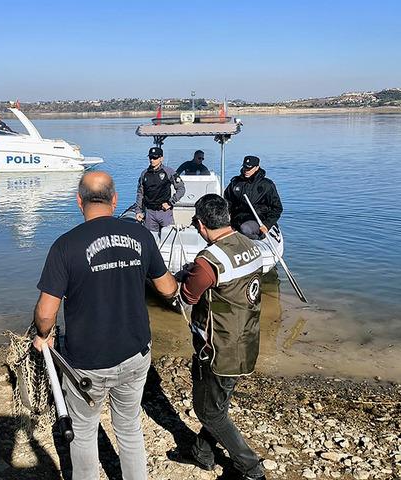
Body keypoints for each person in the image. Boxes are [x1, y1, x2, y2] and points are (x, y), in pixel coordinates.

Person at [33, 171, 178, 480]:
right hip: (135, 353)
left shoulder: (65, 246)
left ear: (78, 202)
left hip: (87, 361)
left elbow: (47, 312)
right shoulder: (141, 236)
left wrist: (43, 336)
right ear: (114, 200)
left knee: (84, 431)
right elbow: (167, 289)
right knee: (129, 425)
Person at [168, 193, 266, 480]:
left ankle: (250, 468)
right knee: (218, 403)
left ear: (200, 224)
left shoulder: (209, 259)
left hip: (216, 346)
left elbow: (187, 296)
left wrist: (183, 276)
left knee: (209, 411)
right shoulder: (251, 245)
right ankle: (202, 452)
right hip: (246, 339)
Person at [223, 155, 283, 240]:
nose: (246, 171)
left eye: (249, 168)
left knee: (245, 229)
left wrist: (267, 224)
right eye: (244, 167)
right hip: (238, 218)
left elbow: (277, 208)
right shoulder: (235, 183)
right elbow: (227, 201)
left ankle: (256, 239)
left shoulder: (266, 185)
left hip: (257, 219)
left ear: (256, 167)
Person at [135, 146, 185, 234]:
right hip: (149, 212)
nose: (152, 160)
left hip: (164, 212)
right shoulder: (144, 174)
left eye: (155, 158)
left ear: (161, 158)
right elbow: (140, 193)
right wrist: (138, 210)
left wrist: (170, 202)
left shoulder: (169, 172)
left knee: (169, 238)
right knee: (151, 240)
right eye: (150, 157)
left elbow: (181, 189)